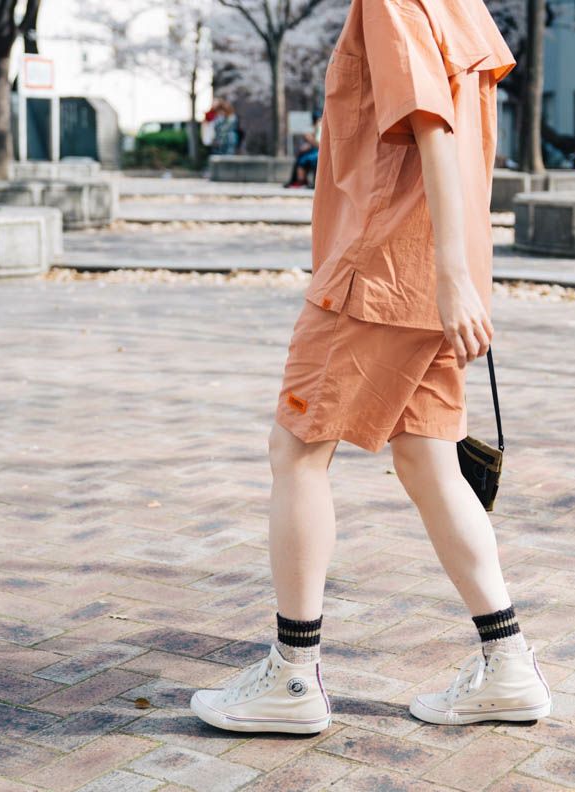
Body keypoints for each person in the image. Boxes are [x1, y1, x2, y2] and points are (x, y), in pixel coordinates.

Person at [191, 0, 553, 734]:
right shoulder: (462, 7)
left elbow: (431, 125)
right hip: (433, 272)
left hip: (383, 268)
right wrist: (455, 274)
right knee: (429, 462)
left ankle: (293, 677)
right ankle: (509, 664)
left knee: (295, 451)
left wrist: (450, 275)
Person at [285, 111, 322, 188]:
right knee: (300, 158)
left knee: (304, 160)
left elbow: (318, 144)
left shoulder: (321, 128)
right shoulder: (312, 128)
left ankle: (302, 181)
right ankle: (299, 180)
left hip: (318, 152)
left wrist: (310, 140)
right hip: (313, 152)